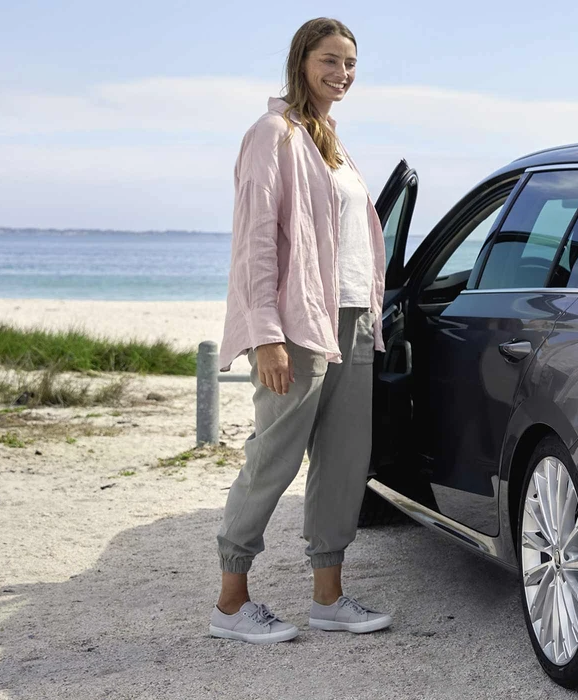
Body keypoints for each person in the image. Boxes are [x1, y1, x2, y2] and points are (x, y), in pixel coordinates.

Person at [209, 17, 393, 644]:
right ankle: (231, 604)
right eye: (330, 60)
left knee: (344, 463)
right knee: (274, 457)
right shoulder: (272, 134)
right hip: (298, 323)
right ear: (302, 60)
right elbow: (256, 241)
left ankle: (328, 598)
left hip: (353, 320)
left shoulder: (332, 143)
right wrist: (265, 333)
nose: (341, 74)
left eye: (350, 65)